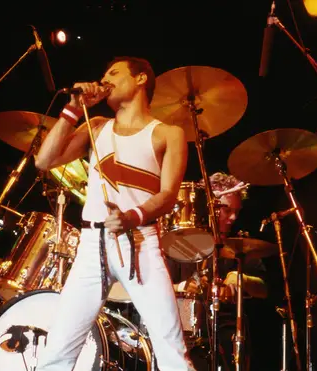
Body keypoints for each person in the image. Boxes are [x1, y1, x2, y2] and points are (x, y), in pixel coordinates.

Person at [34, 56, 196, 370]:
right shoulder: (96, 126)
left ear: (140, 79)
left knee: (172, 351)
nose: (105, 78)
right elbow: (44, 160)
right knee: (57, 351)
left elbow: (168, 195)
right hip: (92, 245)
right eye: (104, 73)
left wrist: (132, 216)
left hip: (139, 242)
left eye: (114, 72)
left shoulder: (168, 133)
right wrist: (73, 107)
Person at [167, 172, 268, 371]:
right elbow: (150, 289)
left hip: (225, 335)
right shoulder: (179, 244)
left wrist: (242, 278)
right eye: (227, 210)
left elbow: (264, 289)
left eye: (237, 212)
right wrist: (181, 287)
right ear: (208, 207)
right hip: (182, 331)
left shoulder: (239, 245)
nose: (233, 218)